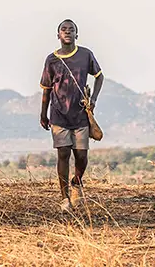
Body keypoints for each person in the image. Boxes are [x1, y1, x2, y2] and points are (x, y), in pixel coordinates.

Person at [39, 19, 104, 212]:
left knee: (81, 156)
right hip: (58, 114)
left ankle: (77, 182)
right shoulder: (51, 59)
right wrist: (43, 114)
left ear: (77, 34)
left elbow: (99, 76)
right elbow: (46, 89)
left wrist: (94, 100)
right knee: (63, 153)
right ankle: (65, 197)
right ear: (58, 35)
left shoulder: (85, 55)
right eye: (63, 29)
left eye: (71, 30)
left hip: (80, 114)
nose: (67, 32)